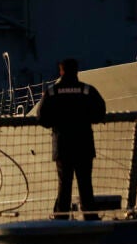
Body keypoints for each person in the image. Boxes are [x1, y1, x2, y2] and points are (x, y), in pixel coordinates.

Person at [38, 58, 106, 220]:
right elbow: (100, 111)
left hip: (63, 146)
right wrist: (88, 119)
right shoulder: (87, 90)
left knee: (64, 186)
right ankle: (91, 219)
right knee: (86, 185)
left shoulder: (52, 92)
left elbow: (41, 117)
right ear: (76, 71)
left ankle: (61, 219)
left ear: (61, 71)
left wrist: (55, 123)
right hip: (84, 144)